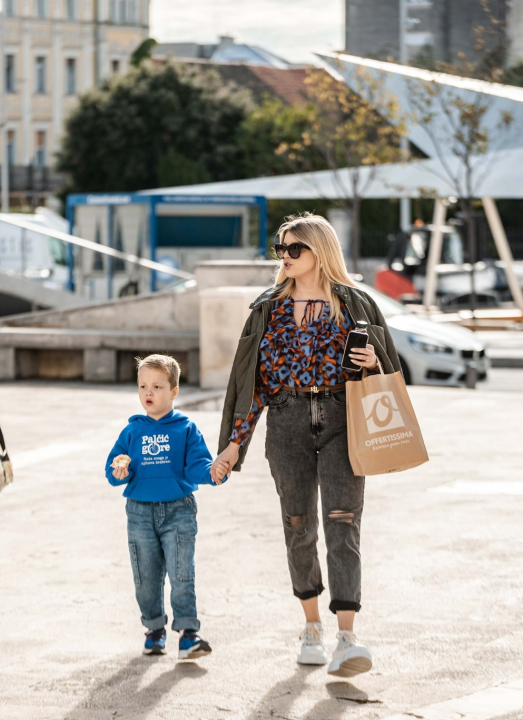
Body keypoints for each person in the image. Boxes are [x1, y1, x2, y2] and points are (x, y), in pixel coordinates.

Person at [210, 212, 402, 678]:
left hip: (342, 419)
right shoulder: (268, 307)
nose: (286, 256)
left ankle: (348, 636)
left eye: (295, 248)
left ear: (321, 250)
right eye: (281, 248)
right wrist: (235, 444)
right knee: (298, 525)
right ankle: (311, 627)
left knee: (344, 523)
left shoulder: (355, 303)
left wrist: (373, 358)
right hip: (287, 421)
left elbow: (388, 376)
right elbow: (252, 384)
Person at [105, 354, 226, 660]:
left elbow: (197, 466)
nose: (149, 392)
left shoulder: (185, 428)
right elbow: (115, 466)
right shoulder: (132, 431)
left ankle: (188, 634)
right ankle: (154, 629)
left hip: (178, 510)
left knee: (181, 573)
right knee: (145, 577)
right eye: (143, 386)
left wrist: (213, 473)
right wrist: (120, 471)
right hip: (139, 512)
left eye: (157, 386)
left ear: (173, 392)